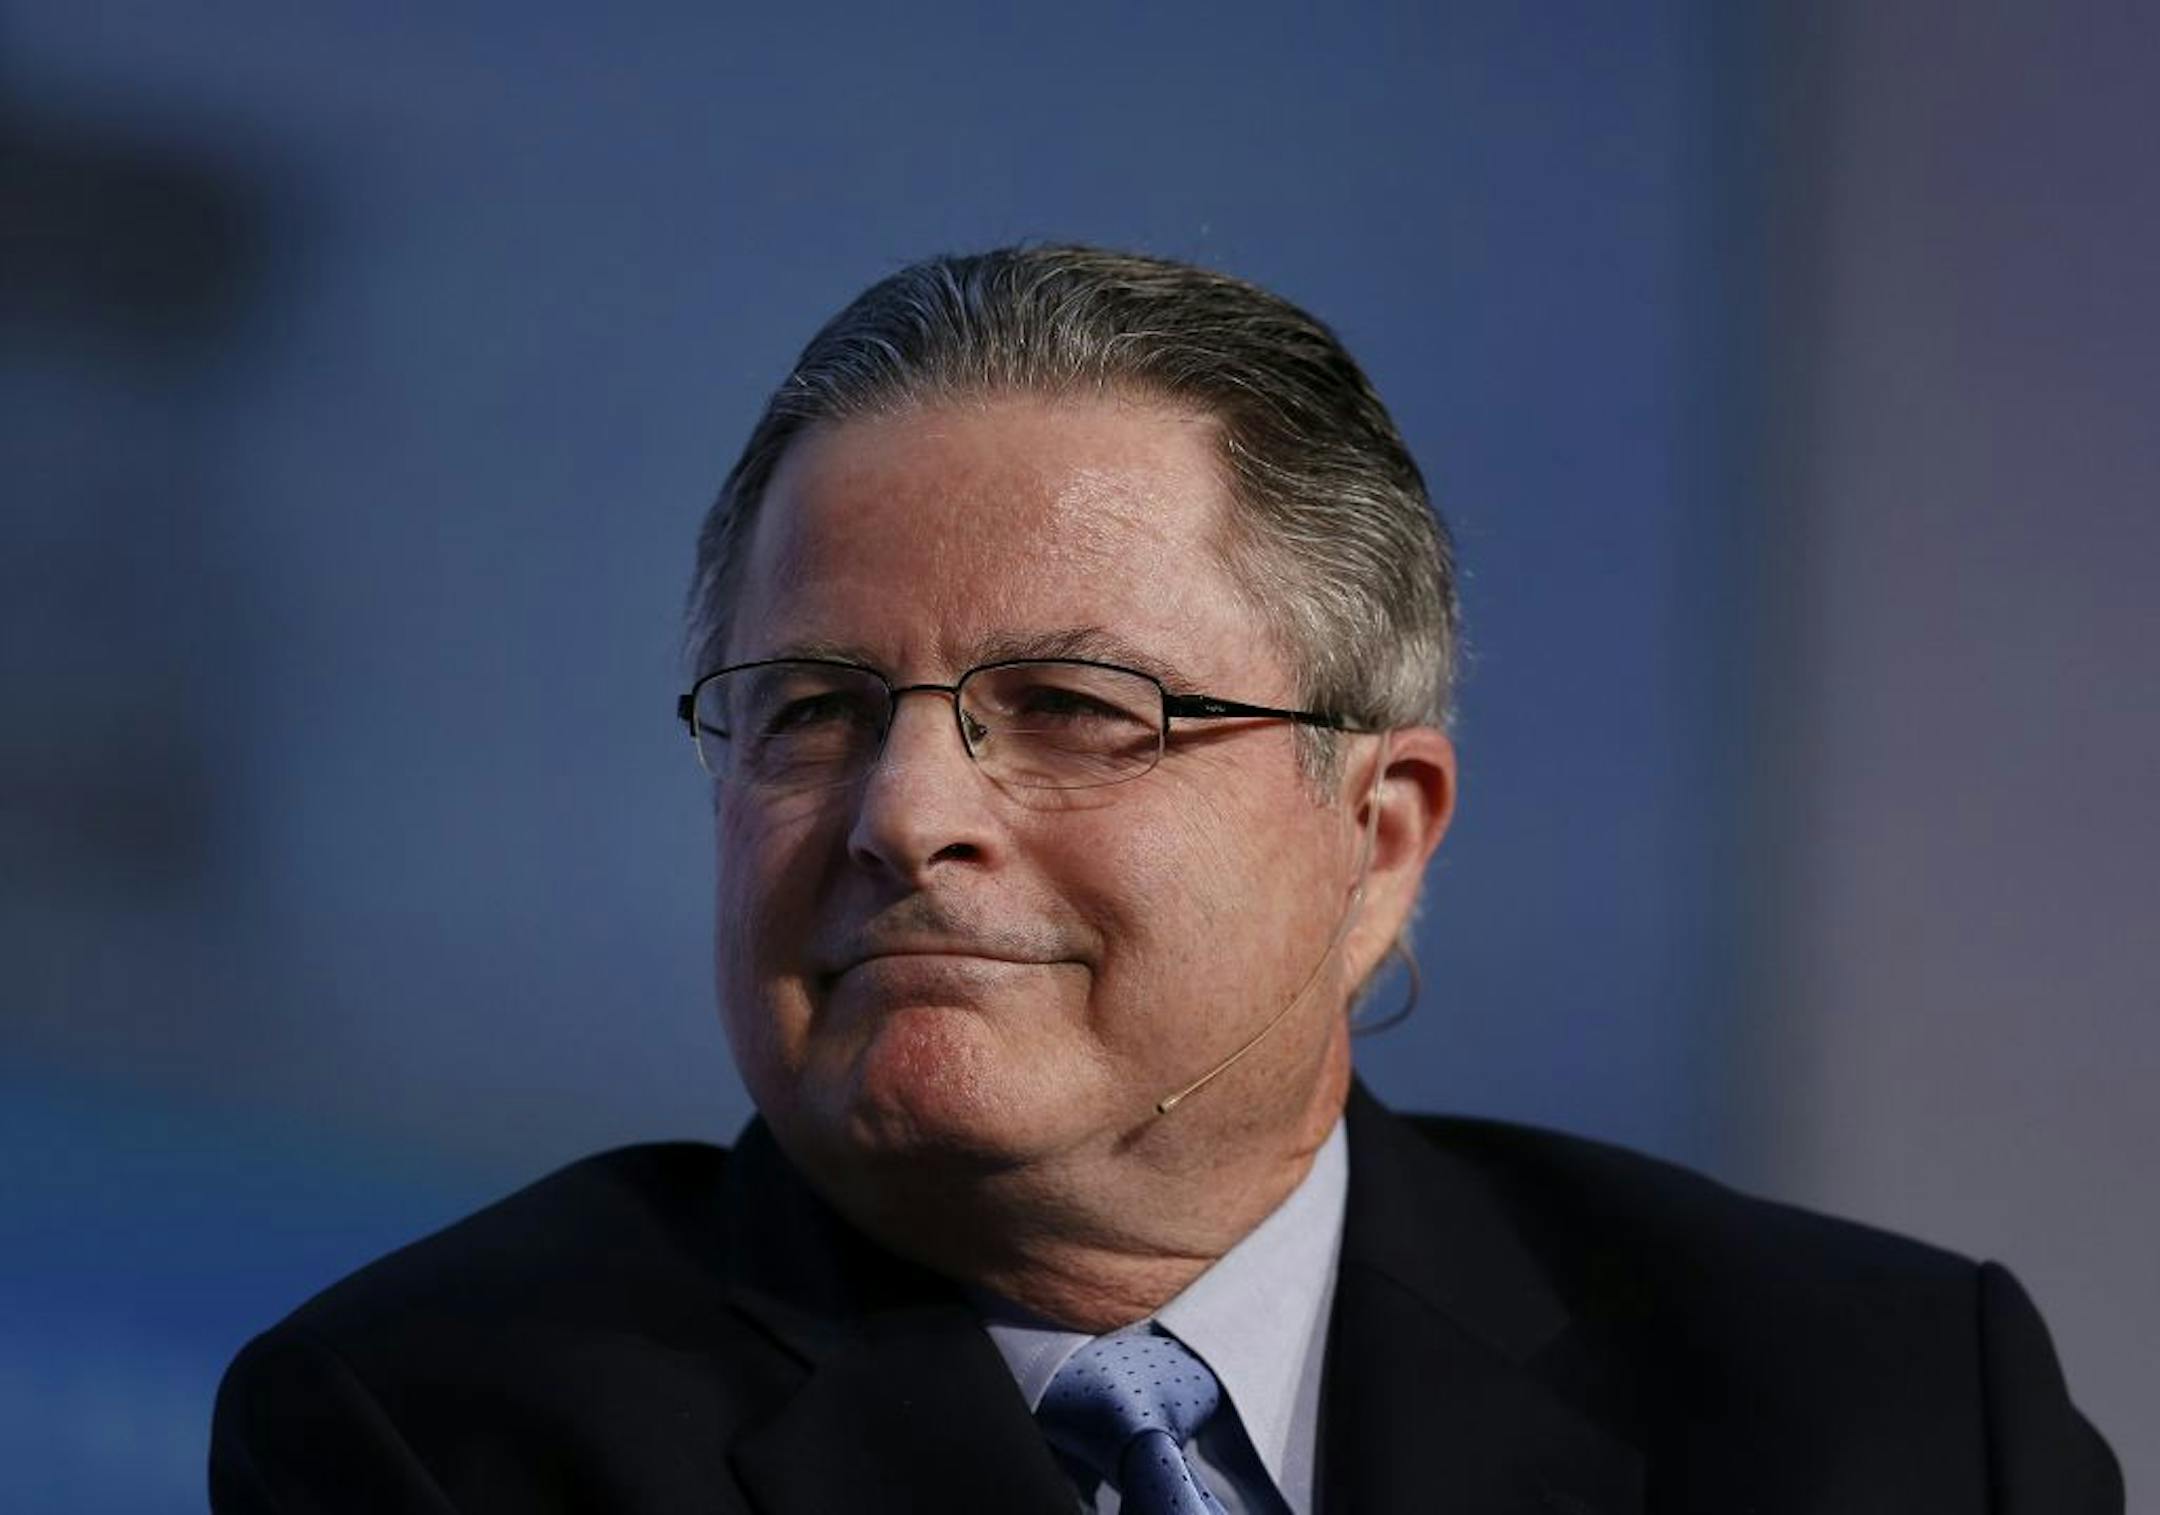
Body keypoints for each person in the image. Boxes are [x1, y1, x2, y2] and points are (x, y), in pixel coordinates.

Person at [210, 245, 2121, 1514]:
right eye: (810, 707)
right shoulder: (442, 1433)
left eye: (1064, 705)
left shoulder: (1882, 1413)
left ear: (1374, 843)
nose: (901, 809)